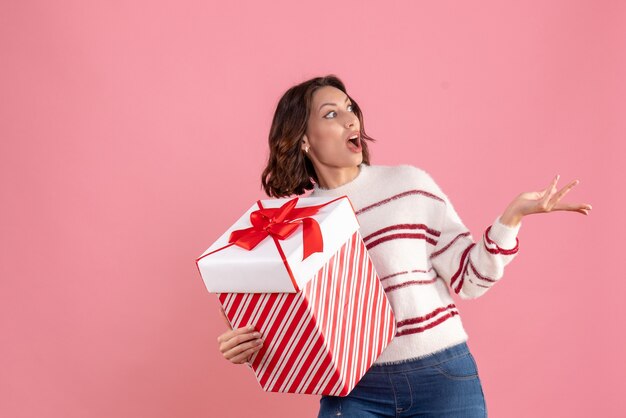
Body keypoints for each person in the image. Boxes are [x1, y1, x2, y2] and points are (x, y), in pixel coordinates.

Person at [216, 75, 592, 417]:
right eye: (331, 114)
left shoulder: (408, 186)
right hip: (353, 390)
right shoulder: (290, 223)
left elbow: (469, 280)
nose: (351, 120)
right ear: (302, 138)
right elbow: (288, 318)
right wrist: (250, 346)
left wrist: (511, 218)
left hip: (442, 379)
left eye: (351, 109)